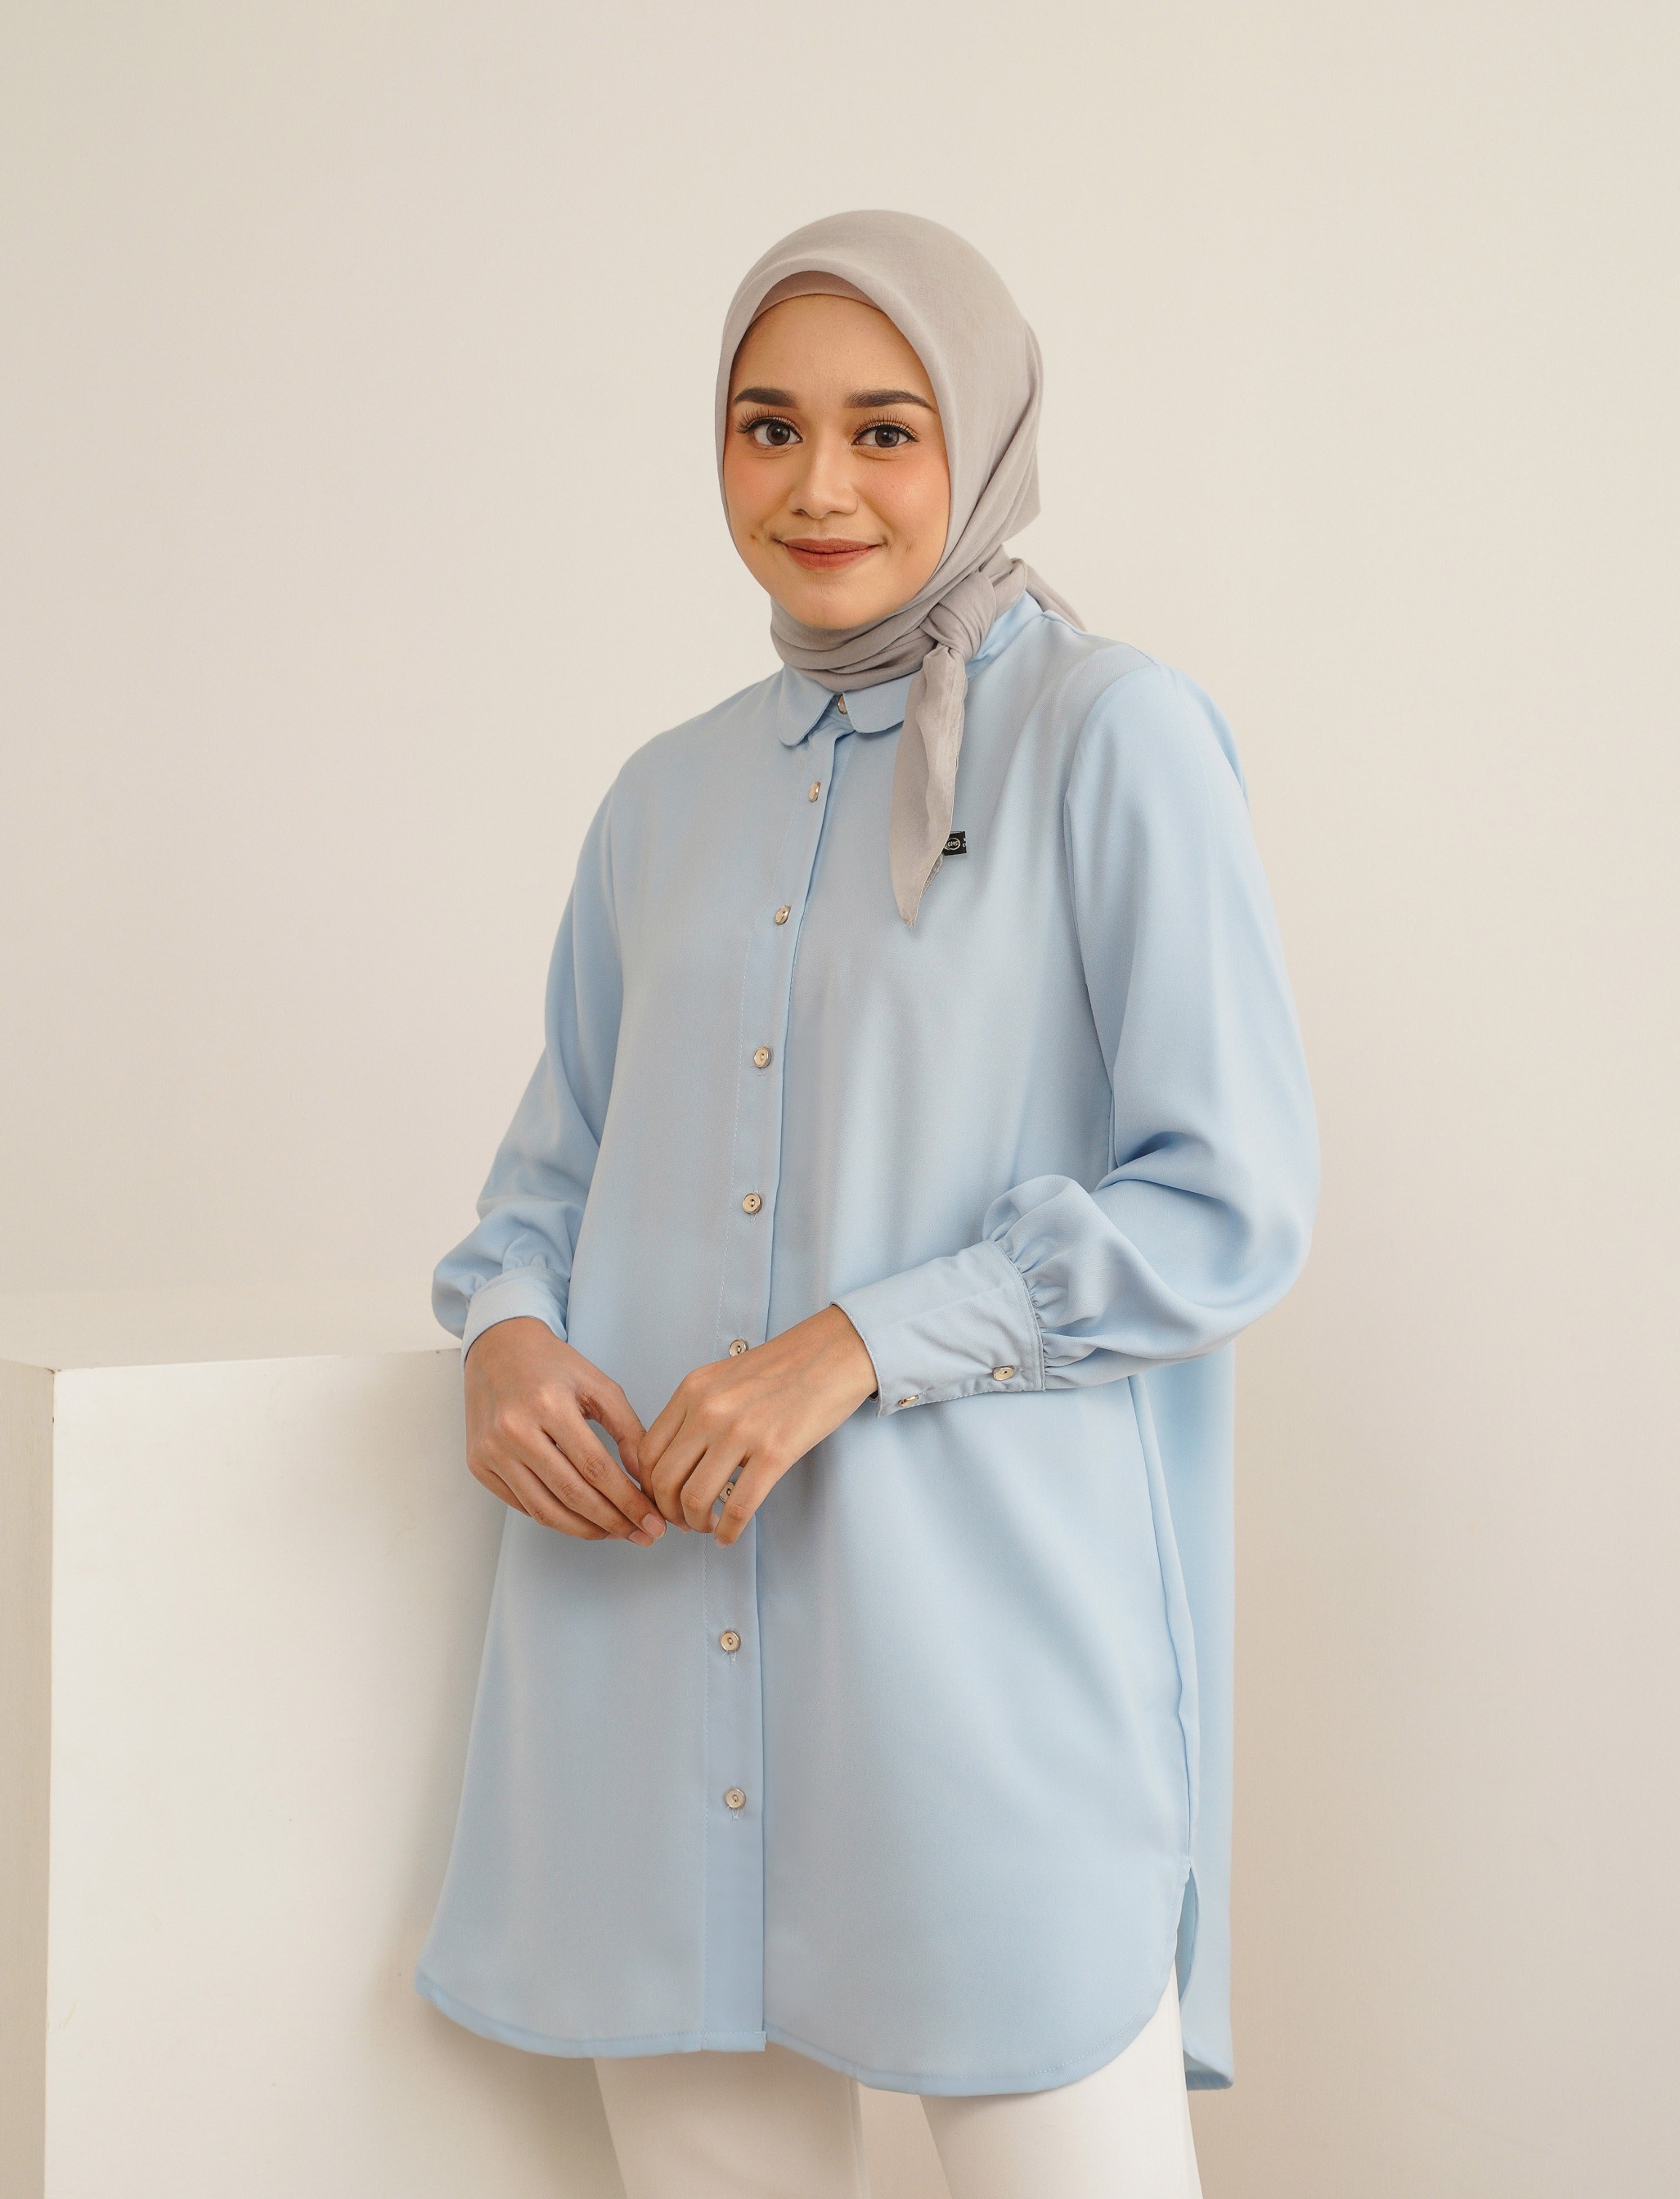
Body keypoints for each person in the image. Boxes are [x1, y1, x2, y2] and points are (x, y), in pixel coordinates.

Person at [416, 209, 1318, 2198]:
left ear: (976, 438)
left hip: (978, 1676)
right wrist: (505, 1334)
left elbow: (1228, 1198)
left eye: (884, 429)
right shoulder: (662, 795)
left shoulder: (1113, 739)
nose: (818, 486)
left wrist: (853, 1344)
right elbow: (547, 1177)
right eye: (768, 427)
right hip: (643, 1652)